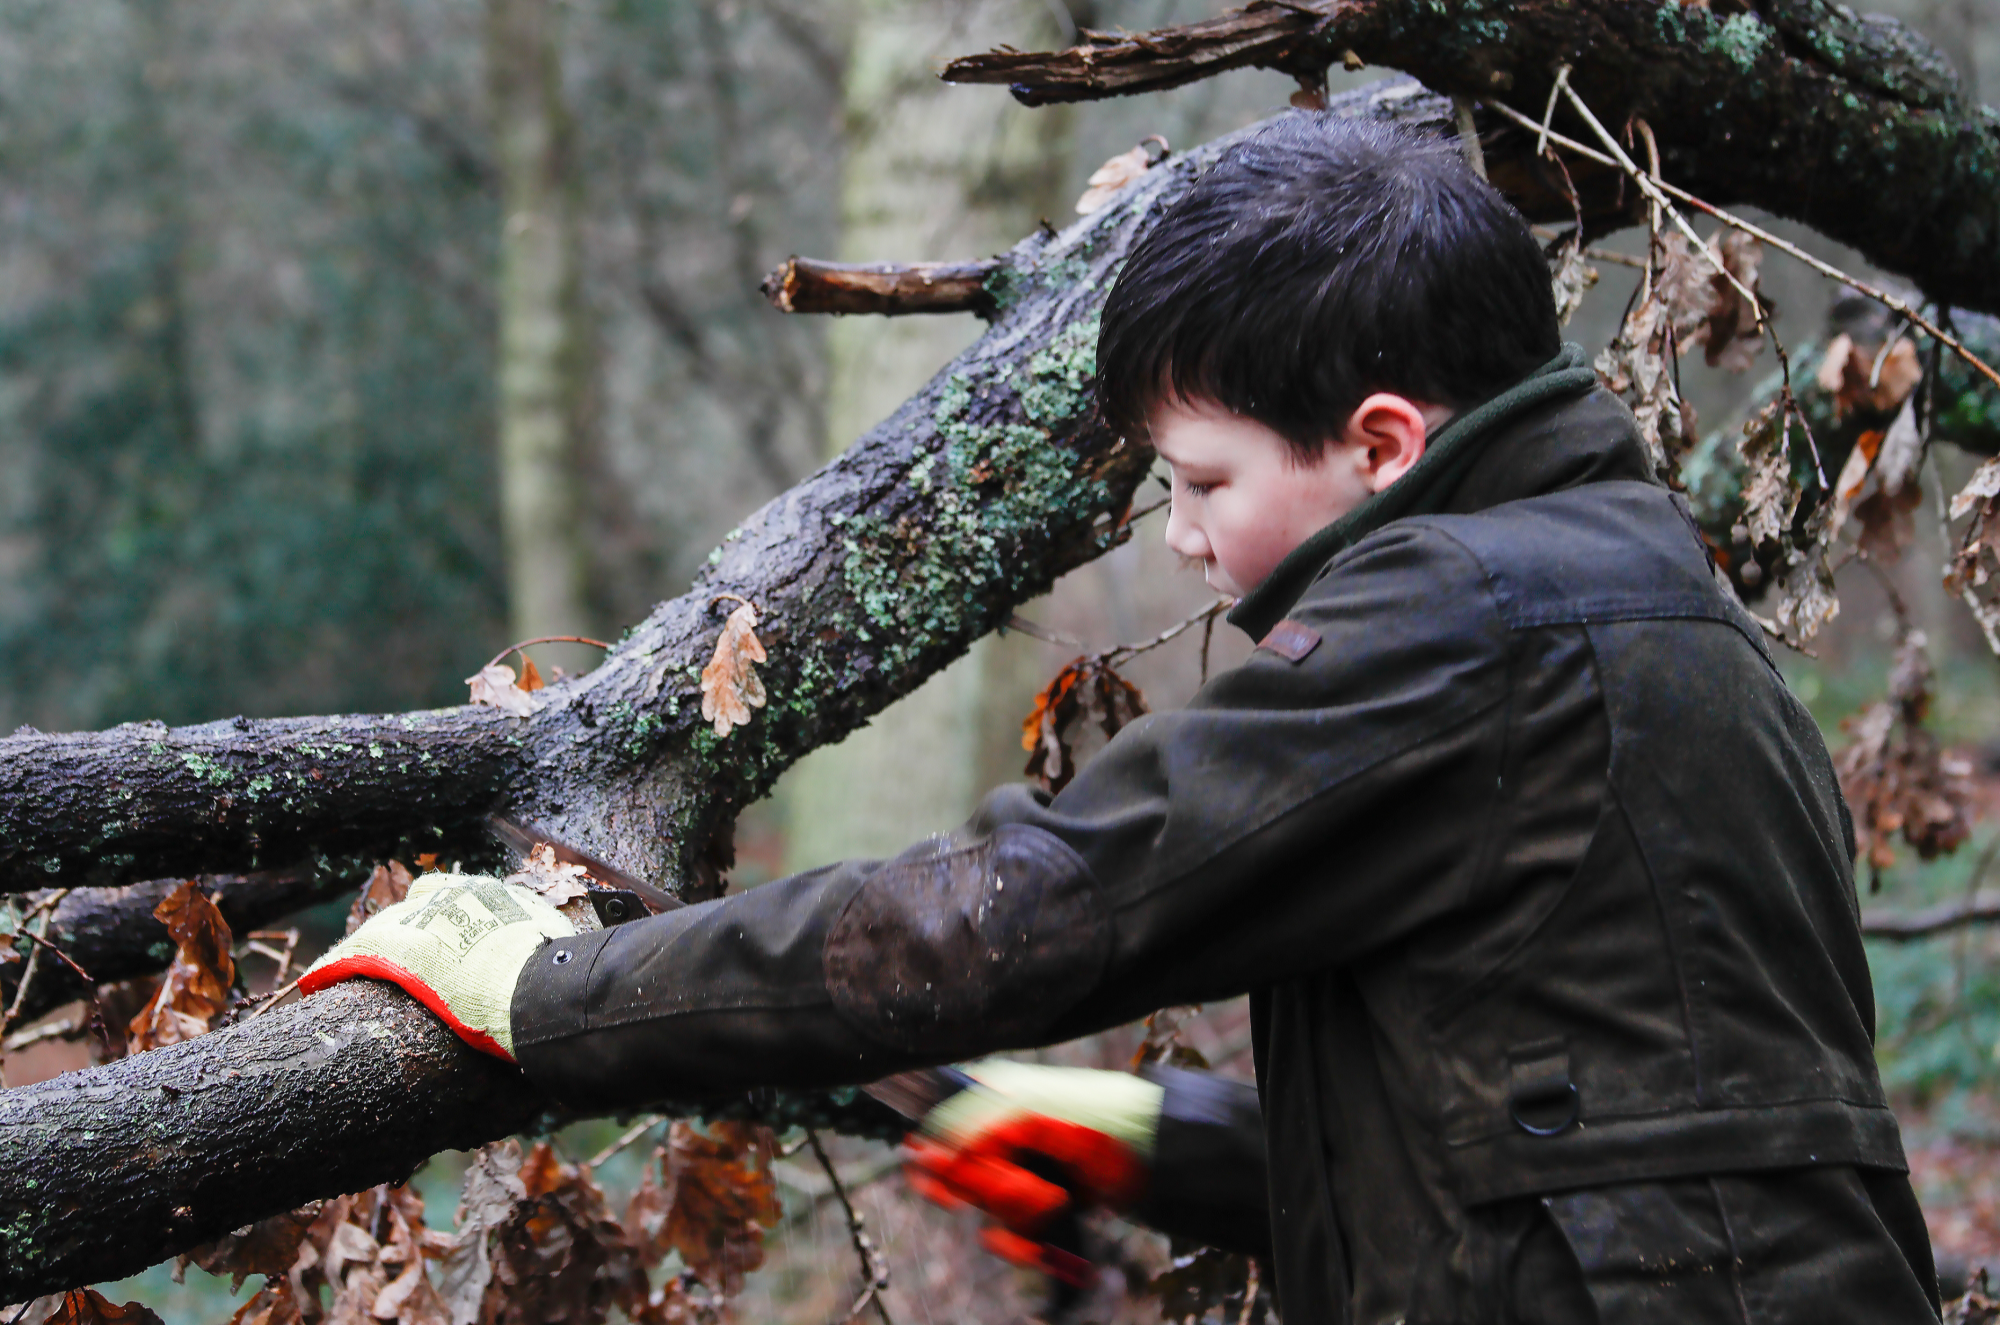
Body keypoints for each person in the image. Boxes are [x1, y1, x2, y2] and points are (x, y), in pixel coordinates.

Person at [301, 113, 1940, 1321]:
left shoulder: (1473, 619)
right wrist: (1158, 1136)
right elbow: (1587, 1130)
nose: (1183, 536)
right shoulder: (1641, 595)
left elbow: (1022, 914)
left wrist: (548, 992)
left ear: (1379, 443)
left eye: (1205, 479)